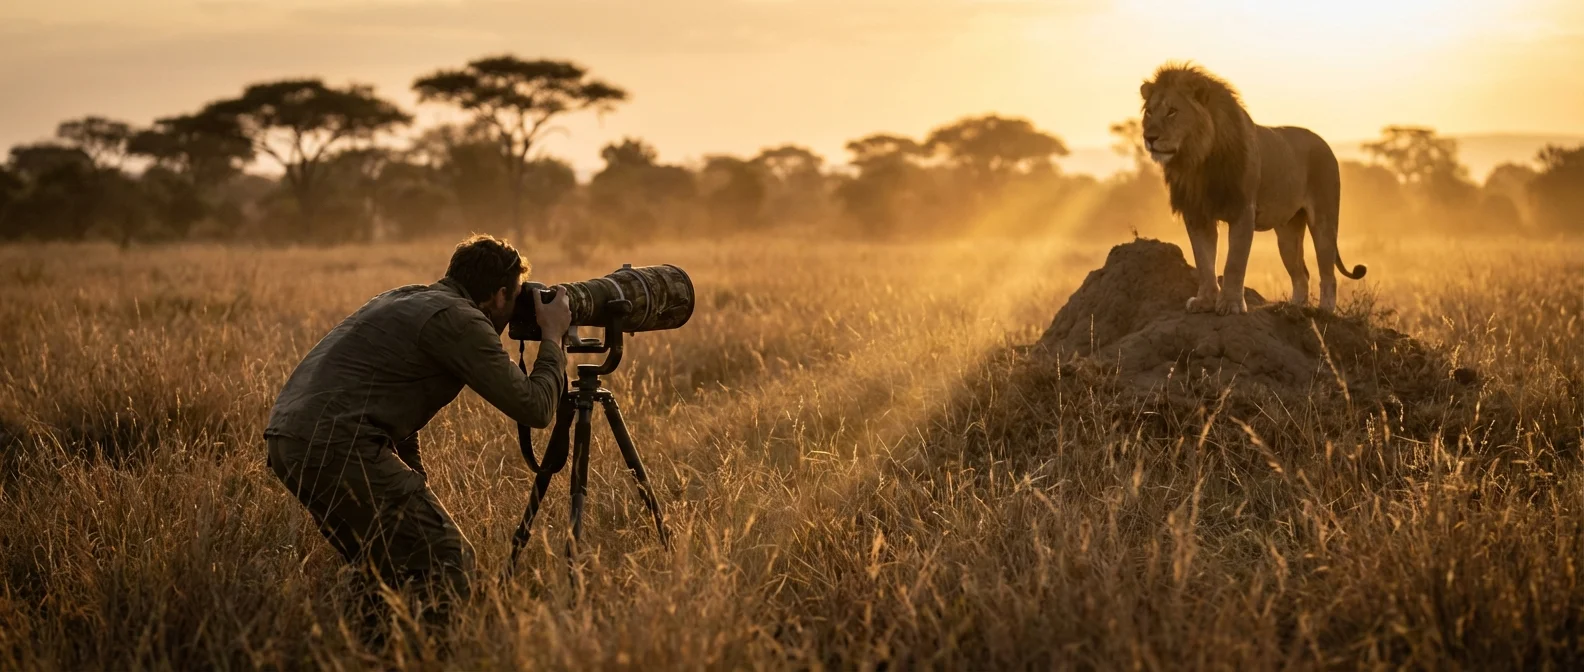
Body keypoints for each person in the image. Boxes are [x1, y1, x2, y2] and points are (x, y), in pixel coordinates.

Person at [263, 233, 570, 644]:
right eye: (515, 299)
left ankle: (368, 653)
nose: (515, 311)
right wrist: (553, 338)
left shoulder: (404, 297)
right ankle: (432, 656)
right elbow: (536, 408)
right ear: (498, 296)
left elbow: (390, 401)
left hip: (288, 439)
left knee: (382, 563)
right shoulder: (460, 321)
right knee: (448, 558)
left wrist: (414, 483)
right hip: (338, 444)